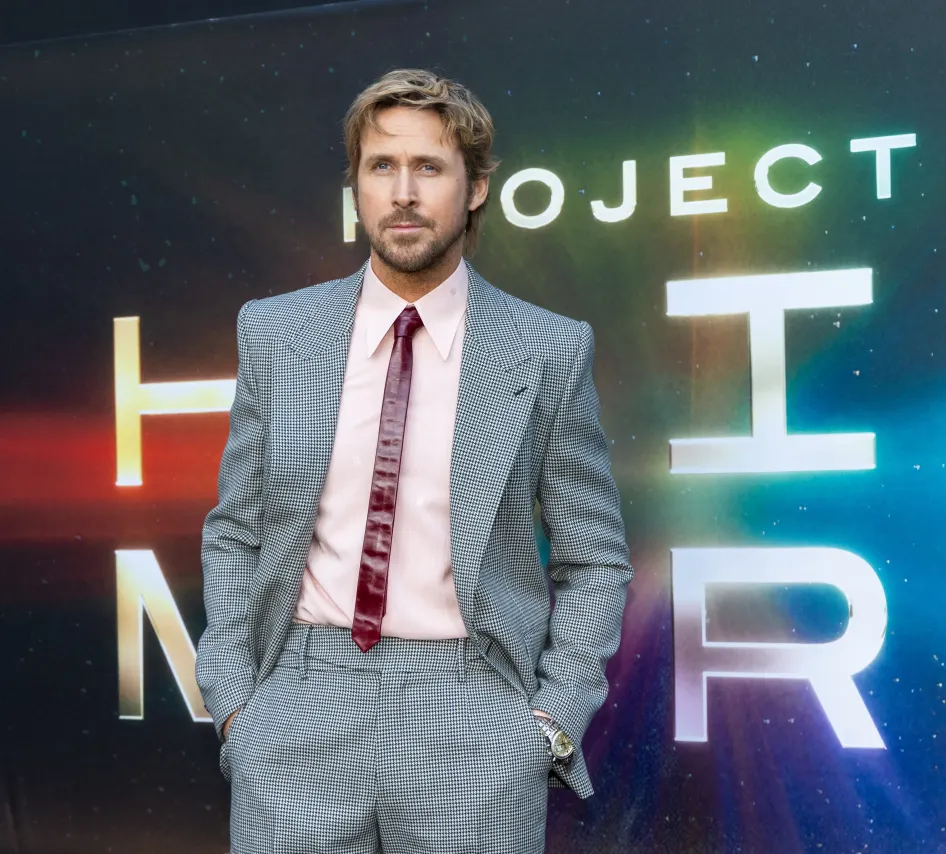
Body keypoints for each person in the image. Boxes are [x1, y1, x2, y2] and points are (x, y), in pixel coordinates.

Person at [195, 68, 633, 854]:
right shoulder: (274, 332)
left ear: (474, 189)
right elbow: (235, 530)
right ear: (356, 186)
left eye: (428, 167)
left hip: (473, 709)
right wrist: (236, 705)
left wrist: (549, 723)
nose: (403, 192)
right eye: (381, 166)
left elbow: (593, 558)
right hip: (298, 701)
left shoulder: (547, 347)